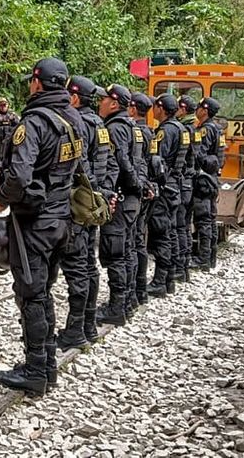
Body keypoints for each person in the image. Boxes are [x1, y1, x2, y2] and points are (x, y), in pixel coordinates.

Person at [0, 57, 84, 396]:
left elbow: (19, 175)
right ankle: (47, 365)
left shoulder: (34, 122)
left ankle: (35, 370)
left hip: (35, 224)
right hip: (62, 221)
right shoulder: (74, 118)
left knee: (31, 294)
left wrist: (0, 201)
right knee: (44, 292)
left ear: (37, 82)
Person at [56, 75, 116, 349]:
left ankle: (75, 330)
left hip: (81, 206)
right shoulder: (101, 126)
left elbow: (79, 165)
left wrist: (88, 193)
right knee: (89, 266)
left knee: (77, 268)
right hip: (94, 205)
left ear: (75, 98)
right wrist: (103, 194)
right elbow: (111, 164)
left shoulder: (78, 124)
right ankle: (88, 324)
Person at [95, 84, 143, 326]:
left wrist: (126, 187)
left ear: (113, 104)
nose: (99, 102)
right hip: (132, 199)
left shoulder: (114, 128)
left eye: (103, 99)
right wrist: (141, 185)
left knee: (115, 254)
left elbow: (121, 163)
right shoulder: (133, 127)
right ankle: (127, 301)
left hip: (122, 198)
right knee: (128, 251)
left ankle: (117, 307)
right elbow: (141, 160)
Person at [147, 93, 183, 296]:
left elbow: (158, 162)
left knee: (161, 234)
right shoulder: (179, 127)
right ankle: (168, 279)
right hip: (175, 186)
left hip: (165, 188)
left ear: (161, 108)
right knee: (168, 233)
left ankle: (160, 281)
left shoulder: (166, 131)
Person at [191, 97, 225, 270]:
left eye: (198, 107)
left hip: (203, 180)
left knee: (203, 220)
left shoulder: (205, 130)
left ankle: (202, 258)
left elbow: (199, 155)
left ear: (204, 110)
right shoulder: (218, 129)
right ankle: (210, 257)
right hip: (213, 179)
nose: (196, 110)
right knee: (210, 219)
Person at [128, 92, 154, 308]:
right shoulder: (149, 133)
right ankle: (140, 290)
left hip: (137, 189)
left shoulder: (134, 132)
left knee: (133, 242)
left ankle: (134, 293)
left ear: (133, 109)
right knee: (139, 241)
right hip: (146, 188)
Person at [175, 95, 199, 282]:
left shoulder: (183, 129)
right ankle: (184, 266)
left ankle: (180, 267)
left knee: (179, 226)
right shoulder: (194, 129)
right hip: (190, 182)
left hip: (182, 183)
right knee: (185, 226)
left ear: (182, 109)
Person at [0, 97, 20, 169]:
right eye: (1, 105)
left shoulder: (13, 116)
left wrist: (14, 120)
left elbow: (20, 127)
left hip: (10, 144)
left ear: (8, 105)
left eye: (4, 105)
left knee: (10, 164)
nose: (3, 107)